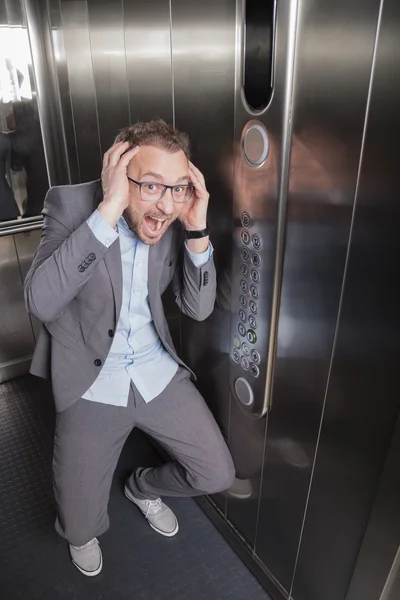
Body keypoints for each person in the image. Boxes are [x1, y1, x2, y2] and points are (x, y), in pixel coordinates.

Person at [24, 118, 235, 577]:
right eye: (152, 185)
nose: (166, 202)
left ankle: (141, 488)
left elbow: (197, 308)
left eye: (178, 188)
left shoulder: (176, 214)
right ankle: (81, 530)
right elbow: (40, 299)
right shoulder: (70, 203)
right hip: (91, 379)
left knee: (216, 475)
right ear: (119, 172)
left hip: (156, 371)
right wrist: (110, 208)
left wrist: (196, 229)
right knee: (78, 527)